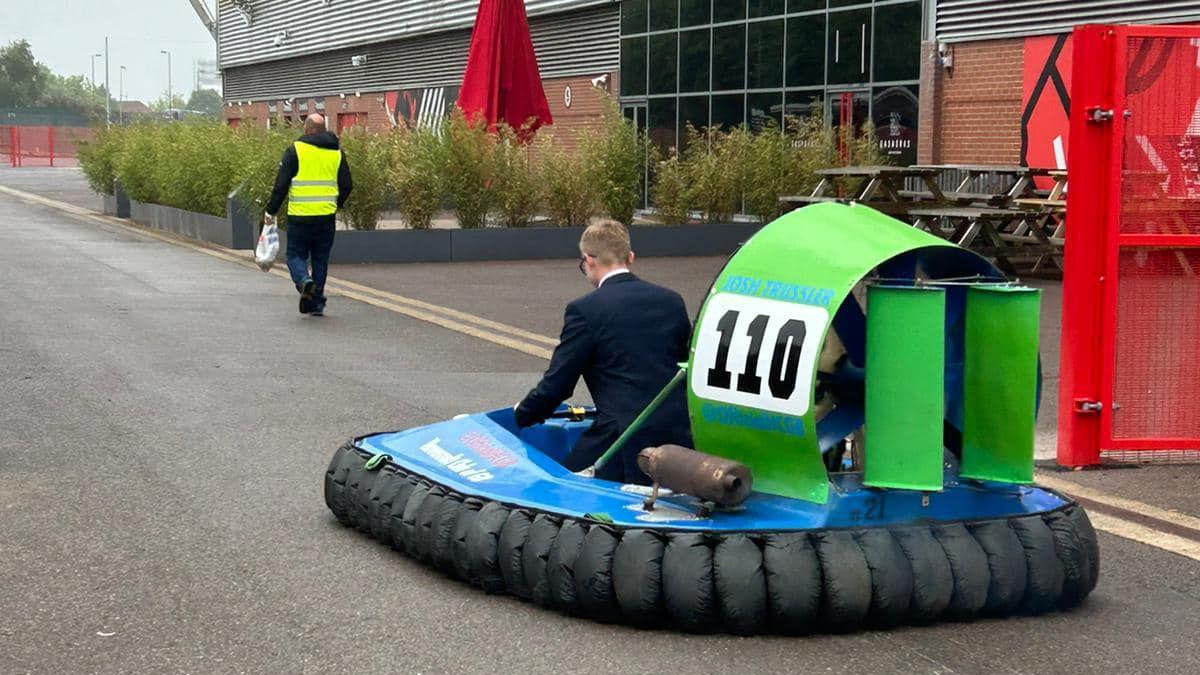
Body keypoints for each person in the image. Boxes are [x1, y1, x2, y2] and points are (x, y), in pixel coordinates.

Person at [514, 220, 693, 485]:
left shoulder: (585, 311)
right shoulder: (671, 300)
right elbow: (684, 366)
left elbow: (558, 385)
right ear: (630, 257)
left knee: (556, 487)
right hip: (678, 440)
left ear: (588, 260)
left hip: (621, 444)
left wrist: (524, 413)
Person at [264, 113, 353, 316]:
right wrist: (335, 204)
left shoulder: (296, 150)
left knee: (295, 255)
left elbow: (281, 185)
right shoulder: (337, 153)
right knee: (320, 259)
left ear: (307, 129)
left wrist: (270, 211)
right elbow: (347, 185)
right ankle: (316, 304)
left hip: (300, 216)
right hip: (326, 217)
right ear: (323, 130)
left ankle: (304, 281)